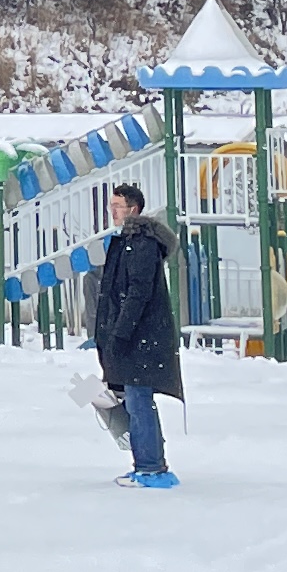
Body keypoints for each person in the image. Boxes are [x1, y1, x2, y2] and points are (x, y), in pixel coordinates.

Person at [96, 183, 183, 490]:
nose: (112, 211)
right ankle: (146, 463)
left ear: (133, 209)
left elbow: (137, 293)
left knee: (139, 400)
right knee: (136, 400)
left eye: (117, 205)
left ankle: (150, 467)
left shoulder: (141, 244)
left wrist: (120, 333)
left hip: (140, 338)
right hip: (135, 336)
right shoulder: (126, 242)